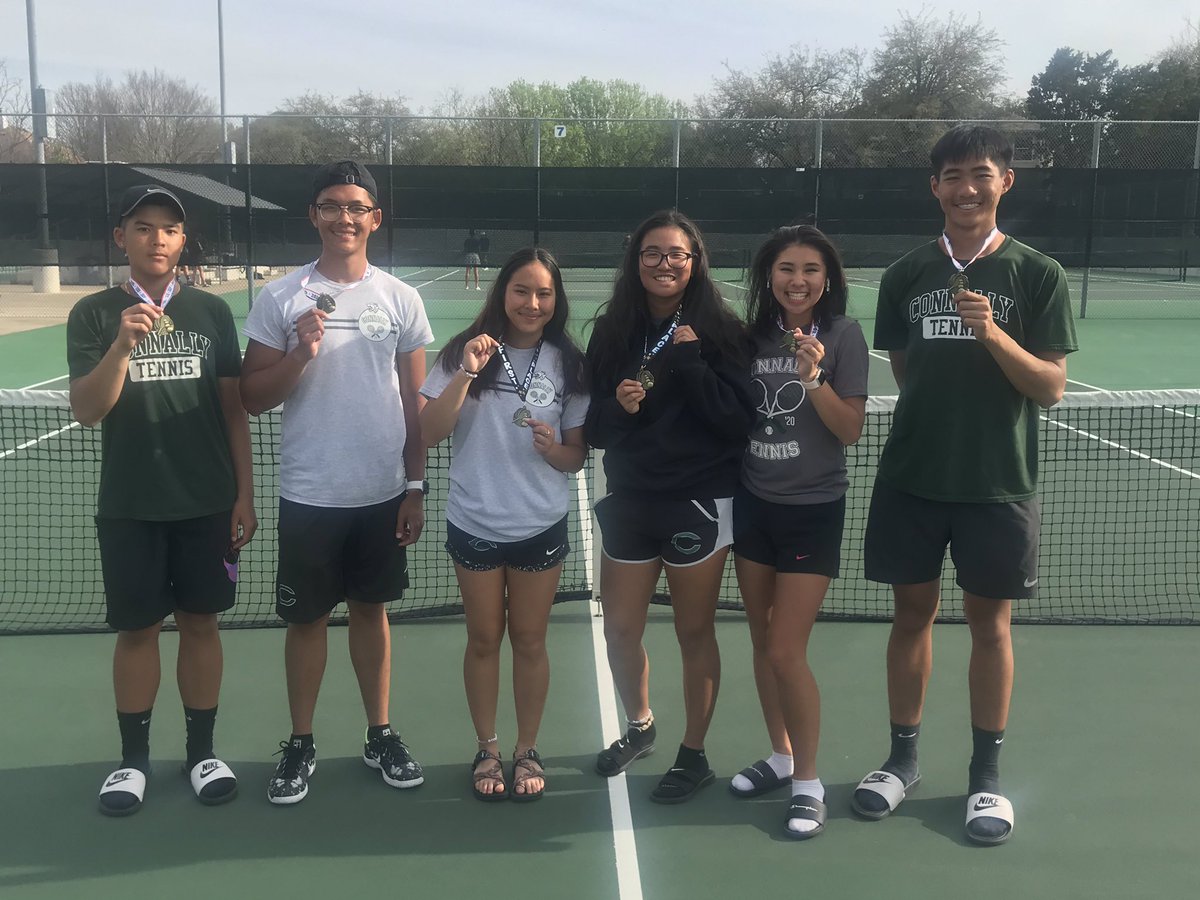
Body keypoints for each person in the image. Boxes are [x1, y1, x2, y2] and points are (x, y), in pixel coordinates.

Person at [853, 125, 1077, 845]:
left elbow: (1049, 388)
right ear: (935, 187)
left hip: (998, 485)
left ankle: (985, 779)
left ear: (1005, 180)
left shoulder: (1038, 274)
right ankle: (902, 760)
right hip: (913, 478)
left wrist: (992, 336)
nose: (966, 187)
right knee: (910, 619)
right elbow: (904, 367)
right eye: (952, 175)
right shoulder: (906, 274)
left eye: (980, 173)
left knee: (990, 628)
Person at [240, 160, 433, 805]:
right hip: (309, 493)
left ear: (374, 218)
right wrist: (299, 352)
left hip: (381, 492)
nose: (344, 217)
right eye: (331, 206)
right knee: (307, 621)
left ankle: (379, 733)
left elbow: (416, 403)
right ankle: (300, 742)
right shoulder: (280, 298)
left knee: (371, 613)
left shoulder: (401, 299)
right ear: (313, 216)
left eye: (356, 207)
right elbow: (252, 397)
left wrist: (415, 487)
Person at [67, 184, 256, 816]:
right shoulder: (93, 314)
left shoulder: (211, 312)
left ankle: (201, 752)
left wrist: (244, 495)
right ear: (121, 238)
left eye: (168, 229)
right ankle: (132, 763)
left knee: (202, 625)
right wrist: (121, 344)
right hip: (130, 506)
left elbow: (234, 412)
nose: (156, 238)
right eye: (142, 227)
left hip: (207, 504)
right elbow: (89, 411)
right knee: (137, 631)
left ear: (183, 240)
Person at [585, 210, 755, 803]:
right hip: (631, 501)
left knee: (692, 631)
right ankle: (640, 726)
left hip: (698, 503)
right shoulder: (612, 331)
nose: (664, 263)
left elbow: (738, 422)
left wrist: (690, 363)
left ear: (694, 262)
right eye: (652, 253)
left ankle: (694, 753)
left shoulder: (722, 330)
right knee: (621, 630)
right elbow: (595, 428)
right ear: (636, 261)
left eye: (676, 254)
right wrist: (619, 409)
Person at [420, 247, 588, 802]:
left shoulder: (570, 363)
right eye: (521, 290)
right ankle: (488, 748)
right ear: (502, 292)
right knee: (484, 638)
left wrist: (551, 450)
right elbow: (426, 433)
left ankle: (526, 749)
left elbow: (575, 458)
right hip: (475, 521)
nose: (532, 303)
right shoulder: (462, 353)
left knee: (531, 640)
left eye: (544, 293)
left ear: (555, 300)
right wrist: (466, 374)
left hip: (540, 524)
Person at [730, 225, 868, 839]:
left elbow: (850, 430)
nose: (798, 280)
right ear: (770, 276)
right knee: (762, 642)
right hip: (754, 505)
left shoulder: (843, 336)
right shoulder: (749, 338)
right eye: (786, 268)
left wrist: (814, 379)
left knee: (787, 648)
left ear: (827, 279)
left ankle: (808, 780)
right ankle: (781, 755)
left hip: (813, 510)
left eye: (811, 269)